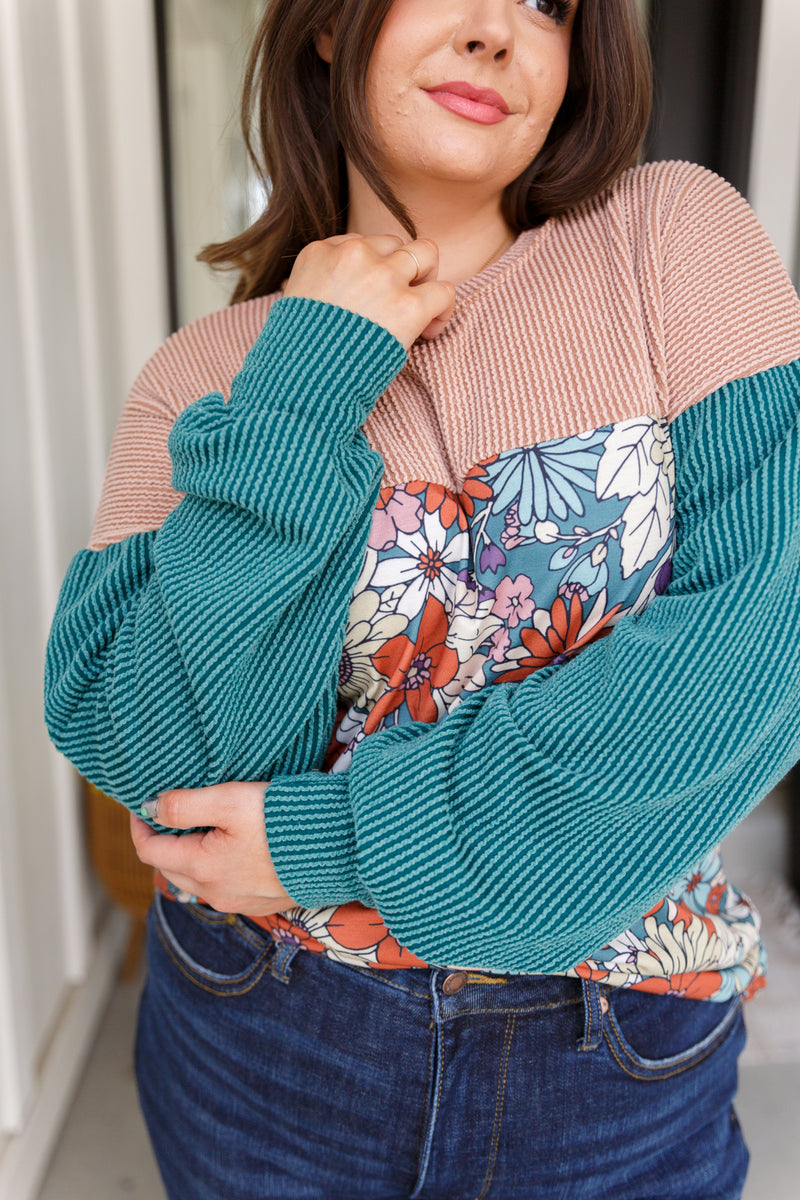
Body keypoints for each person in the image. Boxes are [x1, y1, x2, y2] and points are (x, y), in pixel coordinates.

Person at [44, 0, 800, 1196]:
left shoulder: (674, 239)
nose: (501, 31)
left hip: (610, 1053)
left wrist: (325, 840)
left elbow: (756, 644)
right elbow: (168, 759)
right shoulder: (207, 372)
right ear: (332, 27)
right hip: (260, 1040)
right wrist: (304, 385)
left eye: (548, 6)